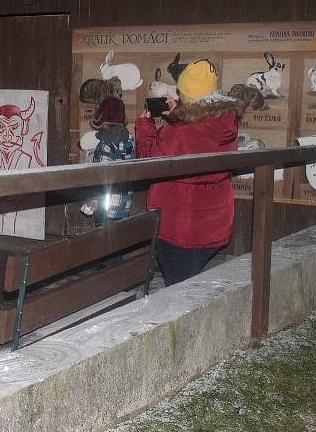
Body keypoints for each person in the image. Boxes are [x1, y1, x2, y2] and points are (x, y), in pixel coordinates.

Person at [135, 59, 243, 286]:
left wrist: (145, 127)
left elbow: (149, 161)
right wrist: (180, 115)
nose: (178, 95)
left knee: (179, 292)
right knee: (189, 285)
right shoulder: (225, 121)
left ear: (189, 95)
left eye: (181, 91)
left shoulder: (180, 132)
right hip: (214, 223)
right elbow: (198, 137)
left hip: (182, 226)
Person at [80, 96, 135, 226]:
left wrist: (93, 200)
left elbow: (100, 178)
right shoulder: (129, 142)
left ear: (103, 121)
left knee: (102, 244)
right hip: (124, 207)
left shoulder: (105, 145)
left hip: (104, 208)